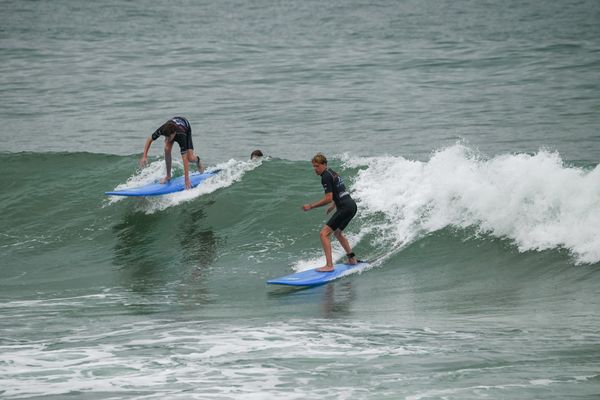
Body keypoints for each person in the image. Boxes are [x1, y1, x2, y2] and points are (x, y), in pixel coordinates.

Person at [302, 153, 358, 272]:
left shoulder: (325, 177)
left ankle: (329, 265)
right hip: (351, 205)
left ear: (324, 165)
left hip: (344, 207)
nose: (315, 169)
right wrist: (333, 205)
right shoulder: (332, 172)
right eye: (313, 166)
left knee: (324, 234)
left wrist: (311, 206)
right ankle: (352, 259)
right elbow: (340, 190)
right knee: (338, 233)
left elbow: (328, 198)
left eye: (317, 166)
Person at [139, 116, 204, 189]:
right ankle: (168, 176)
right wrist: (144, 156)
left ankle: (197, 160)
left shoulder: (181, 135)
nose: (166, 139)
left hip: (185, 127)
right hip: (172, 125)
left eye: (168, 137)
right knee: (167, 149)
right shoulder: (163, 129)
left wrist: (186, 179)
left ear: (174, 133)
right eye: (165, 137)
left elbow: (184, 158)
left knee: (190, 158)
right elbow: (149, 139)